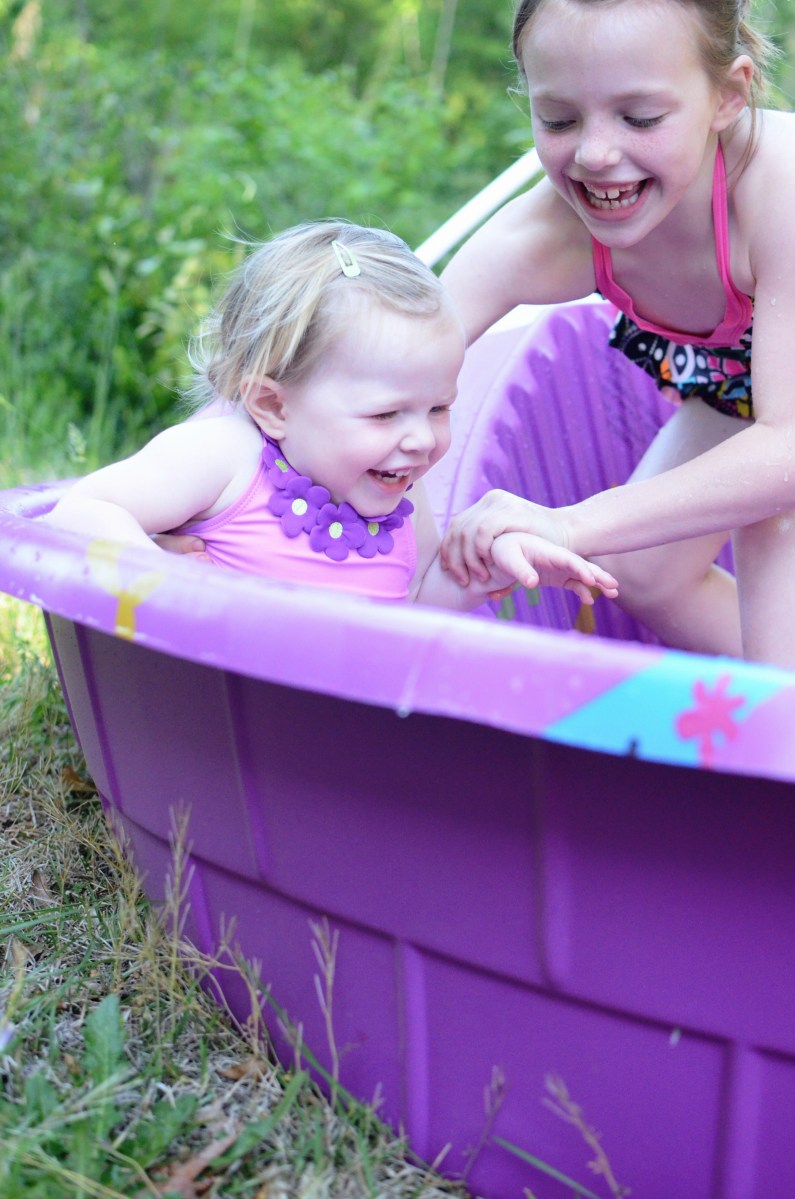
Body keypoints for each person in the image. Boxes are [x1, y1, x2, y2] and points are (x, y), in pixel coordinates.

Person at [439, 0, 795, 666]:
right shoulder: (544, 236)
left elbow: (785, 452)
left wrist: (570, 524)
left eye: (641, 118)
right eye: (558, 119)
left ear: (727, 95)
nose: (594, 154)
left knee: (771, 536)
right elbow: (385, 359)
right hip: (752, 390)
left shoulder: (780, 192)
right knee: (644, 573)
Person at [48, 221, 618, 611]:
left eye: (439, 407)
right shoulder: (225, 456)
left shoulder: (401, 493)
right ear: (274, 406)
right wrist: (162, 582)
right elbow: (82, 510)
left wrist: (487, 568)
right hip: (225, 717)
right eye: (386, 414)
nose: (421, 439)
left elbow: (416, 600)